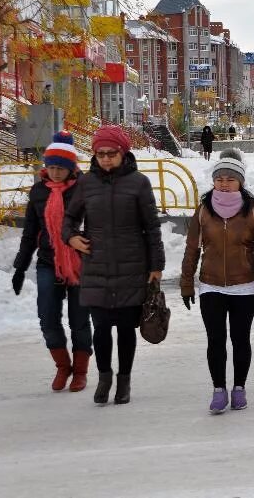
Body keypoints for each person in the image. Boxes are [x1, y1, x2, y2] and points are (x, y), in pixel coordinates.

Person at [63, 125, 164, 406]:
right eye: (100, 154)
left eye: (111, 153)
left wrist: (156, 266)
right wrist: (71, 238)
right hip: (96, 267)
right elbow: (69, 219)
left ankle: (124, 380)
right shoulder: (86, 184)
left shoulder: (139, 183)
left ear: (123, 153)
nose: (106, 159)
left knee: (125, 330)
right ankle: (104, 377)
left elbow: (152, 228)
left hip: (132, 268)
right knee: (102, 328)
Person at [181, 149, 254, 415]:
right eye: (219, 178)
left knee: (240, 339)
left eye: (230, 179)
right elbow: (192, 249)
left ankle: (239, 388)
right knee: (215, 340)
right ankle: (219, 389)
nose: (224, 183)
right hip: (211, 285)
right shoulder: (203, 211)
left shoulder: (253, 212)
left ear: (240, 181)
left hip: (244, 286)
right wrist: (186, 282)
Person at [12, 131, 92, 393]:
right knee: (47, 316)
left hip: (80, 262)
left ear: (71, 168)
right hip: (48, 261)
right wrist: (20, 267)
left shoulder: (84, 189)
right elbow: (30, 232)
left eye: (61, 168)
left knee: (79, 320)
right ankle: (62, 366)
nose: (56, 173)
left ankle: (80, 371)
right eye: (52, 167)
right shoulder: (38, 192)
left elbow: (96, 225)